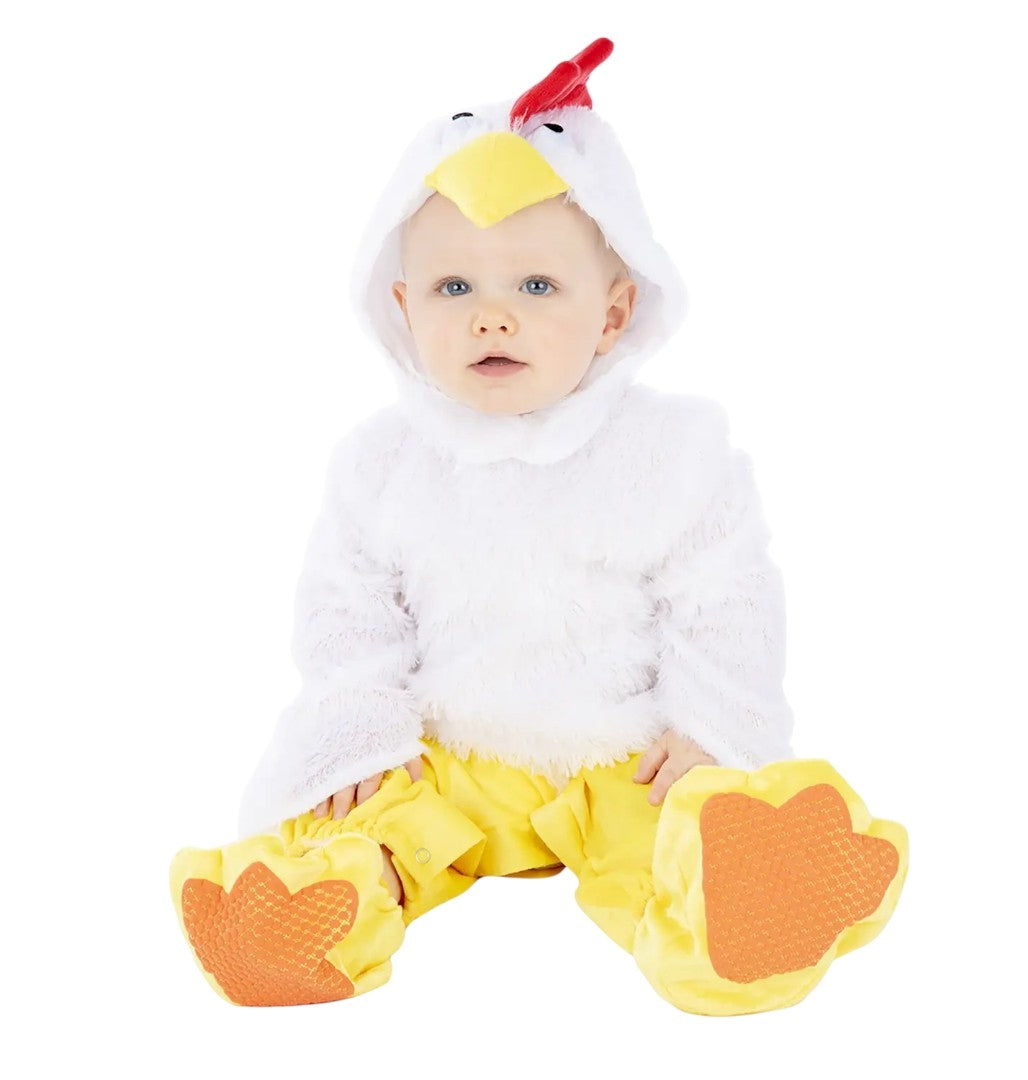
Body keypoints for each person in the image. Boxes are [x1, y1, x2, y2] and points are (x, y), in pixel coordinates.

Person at [169, 37, 907, 1015]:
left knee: (674, 838)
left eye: (536, 287)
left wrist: (709, 726)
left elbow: (724, 596)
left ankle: (739, 914)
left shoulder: (670, 455)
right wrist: (362, 728)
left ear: (614, 313)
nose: (492, 318)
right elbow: (347, 612)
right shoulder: (383, 466)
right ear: (403, 308)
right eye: (454, 288)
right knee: (369, 819)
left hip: (619, 754)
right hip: (444, 751)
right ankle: (305, 918)